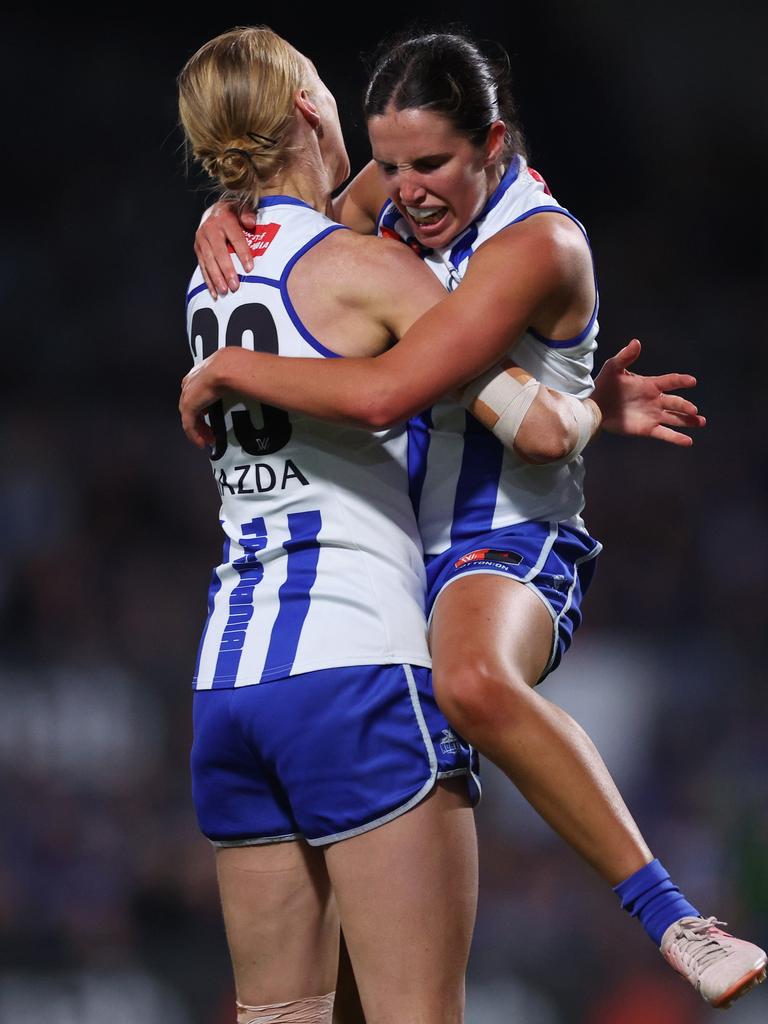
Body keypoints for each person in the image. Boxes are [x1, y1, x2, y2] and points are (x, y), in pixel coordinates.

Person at [184, 29, 767, 1010]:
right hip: (412, 552)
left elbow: (469, 413)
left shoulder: (536, 242)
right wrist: (227, 207)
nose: (404, 192)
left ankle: (676, 916)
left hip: (511, 535)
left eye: (432, 165)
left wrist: (226, 366)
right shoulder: (398, 198)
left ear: (492, 144)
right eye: (392, 164)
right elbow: (309, 231)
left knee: (466, 676)